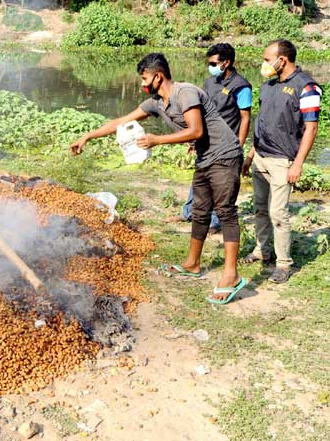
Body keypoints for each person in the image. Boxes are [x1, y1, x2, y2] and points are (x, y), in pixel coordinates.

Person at [70, 53, 246, 304]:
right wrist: (88, 136)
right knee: (200, 210)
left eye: (144, 78)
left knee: (225, 211)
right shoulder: (156, 102)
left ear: (158, 76)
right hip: (205, 158)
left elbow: (196, 130)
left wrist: (157, 140)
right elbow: (121, 121)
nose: (142, 83)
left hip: (225, 155)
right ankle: (193, 263)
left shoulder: (185, 93)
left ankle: (231, 275)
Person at [242, 39, 323, 283]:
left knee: (278, 212)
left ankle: (284, 263)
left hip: (283, 160)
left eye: (267, 59)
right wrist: (251, 154)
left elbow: (311, 128)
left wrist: (297, 164)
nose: (264, 64)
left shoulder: (306, 87)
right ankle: (262, 250)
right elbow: (262, 123)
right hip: (261, 157)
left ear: (282, 60)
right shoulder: (269, 86)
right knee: (259, 208)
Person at [172, 43, 252, 232]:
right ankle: (189, 212)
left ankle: (215, 222)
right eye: (209, 63)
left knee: (220, 183)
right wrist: (193, 139)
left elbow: (245, 118)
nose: (211, 66)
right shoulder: (210, 82)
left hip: (226, 144)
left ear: (227, 62)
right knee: (199, 176)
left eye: (214, 63)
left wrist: (238, 146)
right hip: (206, 140)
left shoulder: (241, 86)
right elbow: (200, 112)